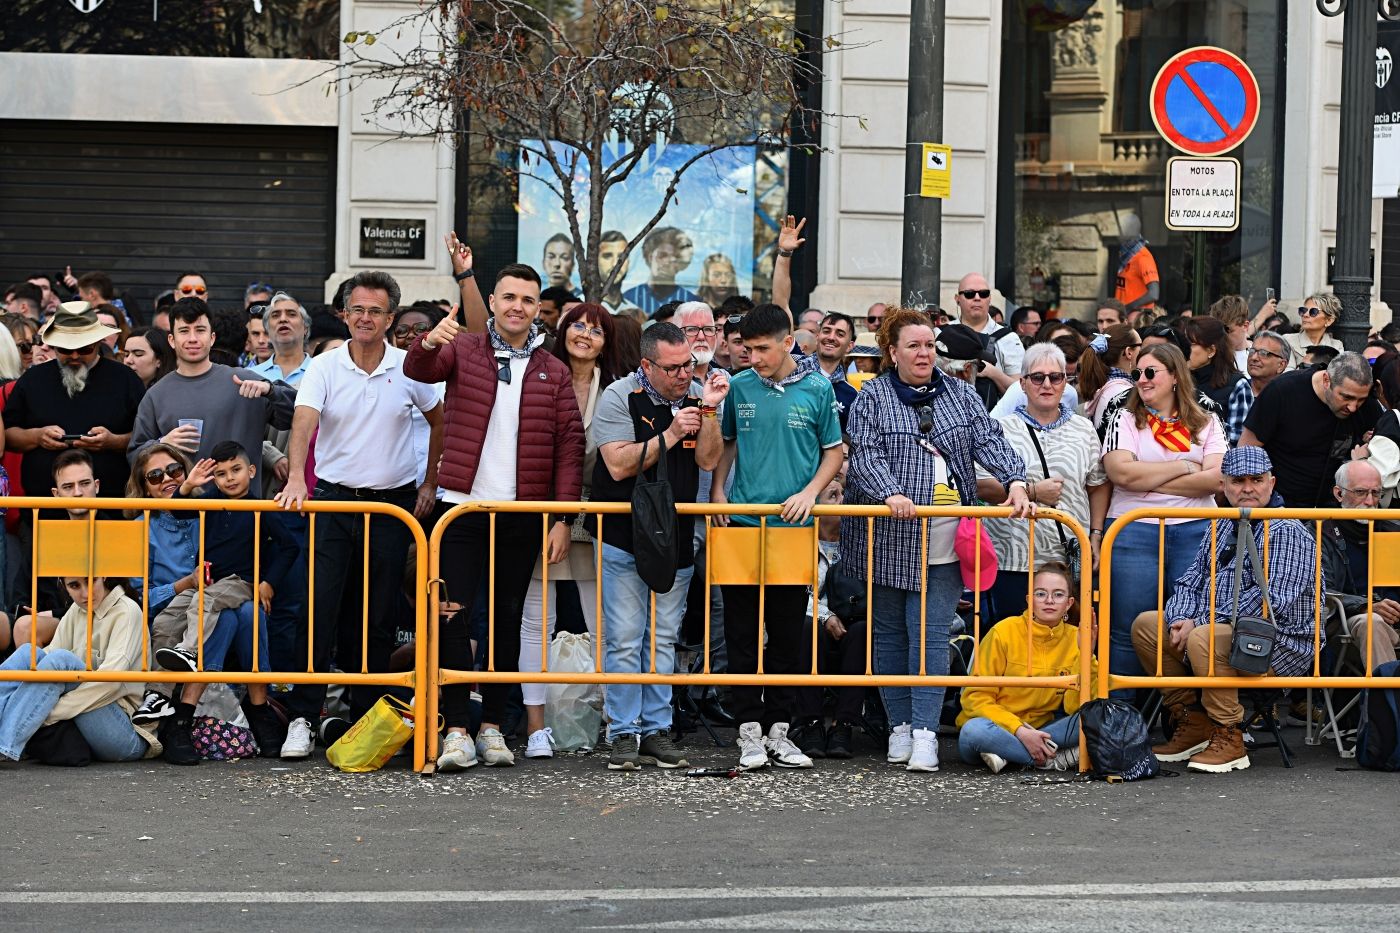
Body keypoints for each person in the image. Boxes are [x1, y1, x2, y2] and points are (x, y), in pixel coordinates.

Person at [403, 263, 582, 771]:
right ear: (496, 301)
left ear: (537, 306)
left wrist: (562, 518)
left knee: (505, 622)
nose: (517, 306)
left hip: (522, 514)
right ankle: (456, 727)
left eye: (527, 299)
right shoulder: (464, 349)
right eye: (508, 297)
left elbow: (571, 447)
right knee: (451, 615)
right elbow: (418, 372)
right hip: (459, 509)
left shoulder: (554, 369)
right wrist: (428, 342)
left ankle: (493, 729)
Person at [843, 307, 1032, 773]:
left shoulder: (963, 396)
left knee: (927, 636)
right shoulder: (872, 398)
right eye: (914, 345)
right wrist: (890, 491)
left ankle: (926, 733)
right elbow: (864, 456)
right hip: (887, 533)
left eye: (929, 345)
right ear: (893, 352)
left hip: (948, 537)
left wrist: (1016, 480)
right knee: (889, 634)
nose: (924, 352)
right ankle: (899, 728)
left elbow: (991, 442)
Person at [275, 271, 445, 759]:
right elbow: (304, 421)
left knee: (376, 619)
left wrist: (430, 480)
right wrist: (294, 481)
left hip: (390, 505)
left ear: (390, 318)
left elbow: (440, 420)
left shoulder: (409, 366)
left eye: (375, 311)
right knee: (317, 611)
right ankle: (304, 718)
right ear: (343, 315)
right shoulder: (325, 366)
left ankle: (366, 721)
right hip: (332, 500)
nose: (365, 318)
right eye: (357, 310)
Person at [711, 303, 844, 771]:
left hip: (793, 528)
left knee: (788, 632)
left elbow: (833, 451)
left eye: (763, 348)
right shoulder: (739, 385)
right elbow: (726, 445)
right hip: (742, 525)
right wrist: (717, 491)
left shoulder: (818, 388)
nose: (753, 357)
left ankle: (779, 731)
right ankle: (747, 733)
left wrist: (812, 492)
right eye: (747, 349)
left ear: (789, 342)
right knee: (741, 632)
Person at [591, 322, 729, 769]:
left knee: (663, 639)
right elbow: (615, 465)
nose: (683, 374)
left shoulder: (696, 394)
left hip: (676, 537)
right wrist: (669, 434)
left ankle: (657, 730)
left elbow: (708, 459)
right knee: (626, 639)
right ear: (646, 364)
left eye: (688, 364)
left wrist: (707, 412)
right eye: (672, 368)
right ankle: (623, 734)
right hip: (624, 537)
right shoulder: (618, 396)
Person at [1132, 447, 1319, 773]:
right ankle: (1194, 723)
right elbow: (1190, 582)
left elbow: (1270, 603)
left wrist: (1199, 622)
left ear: (1271, 483)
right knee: (1147, 625)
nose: (1247, 488)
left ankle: (1229, 735)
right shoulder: (1220, 525)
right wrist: (1179, 619)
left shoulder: (1287, 530)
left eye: (1256, 480)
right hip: (1218, 634)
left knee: (1205, 636)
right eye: (1238, 480)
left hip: (1279, 642)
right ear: (1223, 486)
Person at [513, 302, 618, 759]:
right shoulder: (537, 375)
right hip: (543, 510)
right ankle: (536, 727)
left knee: (606, 624)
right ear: (561, 330)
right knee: (536, 623)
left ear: (606, 342)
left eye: (596, 330)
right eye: (577, 325)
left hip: (598, 517)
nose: (585, 335)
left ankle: (618, 721)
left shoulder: (615, 389)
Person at [152, 441, 299, 764]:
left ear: (251, 471)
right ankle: (158, 694)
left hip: (242, 583)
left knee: (212, 605)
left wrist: (268, 582)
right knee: (164, 622)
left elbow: (290, 546)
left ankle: (190, 653)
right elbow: (178, 510)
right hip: (207, 584)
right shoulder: (209, 502)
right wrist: (188, 486)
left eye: (235, 470)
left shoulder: (262, 507)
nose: (229, 479)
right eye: (220, 474)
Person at [1102, 343, 1225, 686]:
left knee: (1189, 625)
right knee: (1127, 625)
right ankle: (1120, 717)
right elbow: (1121, 474)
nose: (1141, 380)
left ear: (1175, 377)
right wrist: (1185, 465)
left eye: (1150, 372)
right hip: (1132, 530)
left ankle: (1183, 715)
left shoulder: (1207, 420)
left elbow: (1217, 479)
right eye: (1136, 373)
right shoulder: (1123, 418)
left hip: (1196, 530)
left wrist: (1149, 482)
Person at [978, 343, 1108, 621]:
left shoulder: (1084, 428)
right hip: (1013, 556)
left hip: (1068, 556)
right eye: (1037, 377)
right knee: (1012, 637)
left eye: (1056, 377)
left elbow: (1098, 485)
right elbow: (980, 485)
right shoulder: (1000, 429)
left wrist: (1095, 536)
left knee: (1067, 639)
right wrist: (1033, 492)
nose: (1046, 384)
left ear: (1066, 382)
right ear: (1023, 383)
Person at [0, 576, 159, 764]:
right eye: (74, 585)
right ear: (64, 586)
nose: (85, 593)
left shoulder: (127, 611)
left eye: (91, 581)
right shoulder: (76, 610)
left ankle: (5, 746)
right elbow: (46, 659)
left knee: (61, 659)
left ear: (105, 577)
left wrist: (42, 713)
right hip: (88, 717)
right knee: (29, 654)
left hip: (125, 734)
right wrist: (31, 710)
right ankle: (5, 737)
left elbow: (110, 684)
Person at [3, 302, 145, 505]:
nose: (75, 356)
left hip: (113, 505)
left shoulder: (125, 379)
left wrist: (112, 441)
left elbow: (146, 437)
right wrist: (37, 436)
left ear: (98, 343)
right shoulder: (33, 379)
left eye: (84, 348)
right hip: (42, 507)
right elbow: (8, 435)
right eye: (66, 349)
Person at [957, 561, 1093, 773]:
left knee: (1094, 718)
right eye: (1040, 594)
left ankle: (1009, 755)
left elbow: (1075, 707)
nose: (1049, 601)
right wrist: (1019, 731)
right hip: (996, 727)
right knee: (973, 730)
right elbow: (975, 698)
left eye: (1058, 595)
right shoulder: (1003, 632)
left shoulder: (1076, 637)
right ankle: (1050, 760)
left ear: (1069, 603)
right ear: (1029, 600)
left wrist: (1086, 654)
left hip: (1044, 731)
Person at [1239, 351, 1381, 508]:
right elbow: (1246, 451)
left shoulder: (1368, 406)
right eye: (1346, 397)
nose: (1353, 407)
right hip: (1279, 507)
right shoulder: (1283, 391)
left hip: (1335, 512)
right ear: (1326, 380)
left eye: (1360, 399)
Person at [1322, 460, 1400, 670]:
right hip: (1345, 622)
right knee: (1371, 622)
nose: (1369, 501)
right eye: (1360, 492)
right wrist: (1367, 606)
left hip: (1394, 622)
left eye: (1376, 493)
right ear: (1339, 494)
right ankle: (1387, 702)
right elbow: (1321, 591)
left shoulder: (1392, 530)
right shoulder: (1321, 530)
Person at [1183, 316, 1251, 444]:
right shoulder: (1176, 379)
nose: (1184, 350)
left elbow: (1239, 436)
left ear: (1211, 351)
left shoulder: (1238, 385)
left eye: (1190, 344)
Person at [1077, 325, 1141, 436]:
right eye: (1141, 346)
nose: (1143, 351)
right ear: (1129, 352)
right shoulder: (1126, 393)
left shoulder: (1103, 386)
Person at [622, 227, 701, 316]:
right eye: (662, 256)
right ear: (649, 257)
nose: (667, 262)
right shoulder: (629, 298)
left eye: (674, 257)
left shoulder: (691, 302)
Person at [250, 293, 311, 385]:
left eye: (291, 314)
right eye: (275, 315)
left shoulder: (323, 371)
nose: (283, 319)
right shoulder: (250, 375)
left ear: (305, 328)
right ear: (268, 330)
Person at [1283, 294, 1344, 369]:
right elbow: (1288, 375)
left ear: (1329, 320)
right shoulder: (1288, 341)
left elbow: (1337, 376)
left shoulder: (1336, 346)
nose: (1305, 315)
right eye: (1303, 310)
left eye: (1313, 312)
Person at [1113, 213, 1159, 314]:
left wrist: (1128, 308)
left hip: (1137, 319)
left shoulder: (1143, 257)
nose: (1117, 232)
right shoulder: (1126, 257)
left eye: (1120, 228)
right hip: (1125, 318)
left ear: (1130, 229)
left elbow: (1154, 294)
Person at [596, 230, 643, 319]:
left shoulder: (634, 311)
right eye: (607, 256)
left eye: (622, 256)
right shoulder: (580, 306)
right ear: (595, 261)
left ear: (628, 262)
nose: (615, 264)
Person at [1245, 330, 1291, 399]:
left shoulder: (1289, 398)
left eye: (1263, 353)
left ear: (1281, 365)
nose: (1254, 358)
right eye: (1252, 351)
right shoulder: (1236, 389)